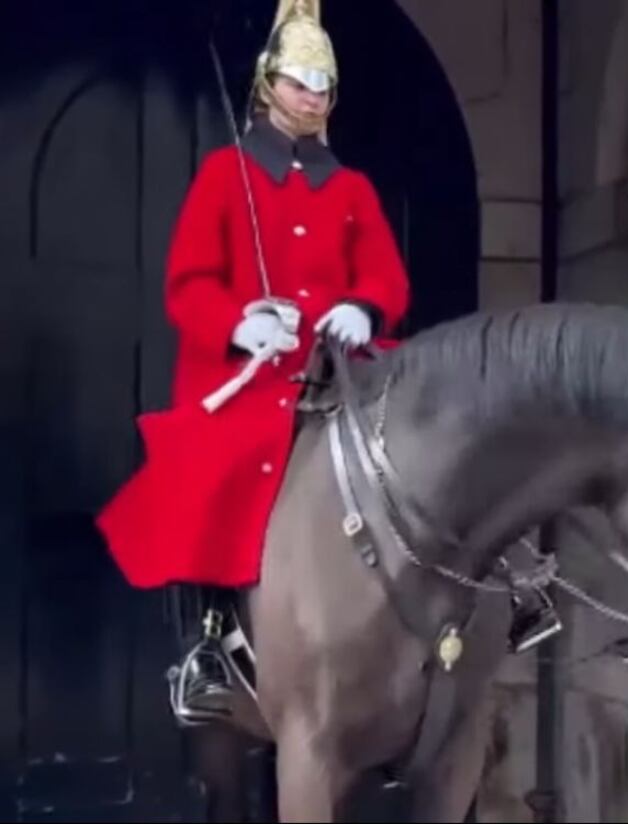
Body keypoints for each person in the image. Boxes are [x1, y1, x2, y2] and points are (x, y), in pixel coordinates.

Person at [94, 0, 557, 727]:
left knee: (450, 431)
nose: (312, 97)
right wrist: (241, 322)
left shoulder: (350, 189)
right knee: (217, 464)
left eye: (323, 87)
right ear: (268, 85)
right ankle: (209, 642)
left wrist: (364, 308)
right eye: (300, 83)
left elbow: (385, 276)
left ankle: (515, 579)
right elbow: (190, 284)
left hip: (343, 366)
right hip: (252, 374)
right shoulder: (225, 176)